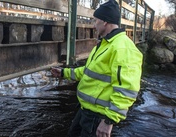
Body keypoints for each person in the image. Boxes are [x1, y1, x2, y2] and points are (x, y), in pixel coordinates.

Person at [50, 0, 143, 136]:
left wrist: (109, 121)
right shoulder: (104, 44)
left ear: (105, 22)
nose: (94, 25)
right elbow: (89, 72)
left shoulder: (123, 48)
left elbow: (127, 90)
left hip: (98, 116)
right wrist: (64, 72)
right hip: (85, 110)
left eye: (95, 21)